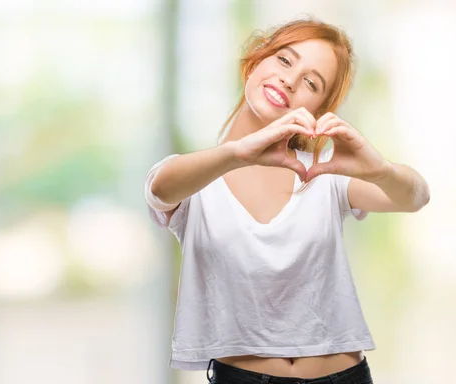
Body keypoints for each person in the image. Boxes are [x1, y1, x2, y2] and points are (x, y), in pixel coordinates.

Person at [144, 16, 430, 384]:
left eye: (311, 82)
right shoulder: (199, 175)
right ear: (256, 60)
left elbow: (416, 196)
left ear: (318, 109)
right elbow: (160, 190)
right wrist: (237, 152)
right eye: (284, 60)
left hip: (343, 376)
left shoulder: (325, 175)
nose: (290, 80)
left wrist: (378, 169)